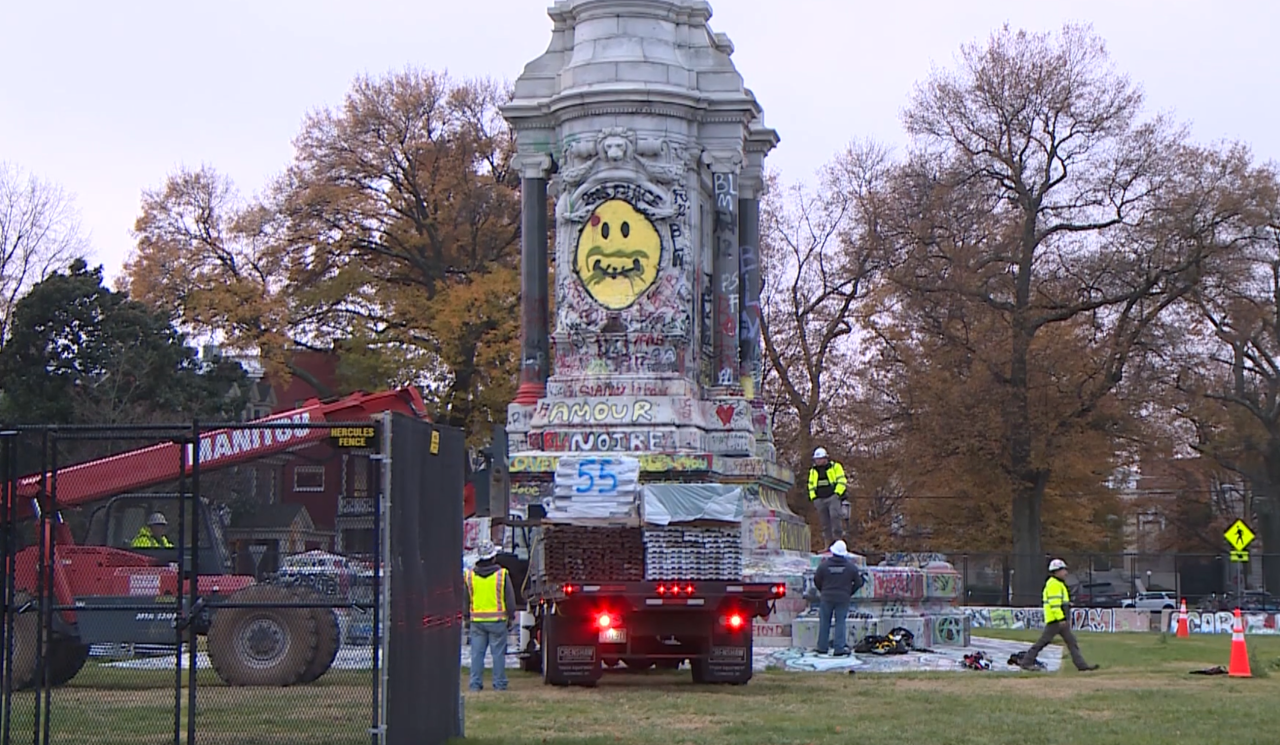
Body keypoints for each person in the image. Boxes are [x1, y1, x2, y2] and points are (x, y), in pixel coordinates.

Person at [1020, 558, 1099, 672]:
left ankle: (1082, 666)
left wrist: (1067, 605)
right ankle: (1026, 662)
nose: (1065, 572)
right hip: (1056, 620)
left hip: (1059, 620)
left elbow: (1060, 601)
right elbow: (1054, 604)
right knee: (1043, 642)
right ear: (1056, 572)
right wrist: (1061, 618)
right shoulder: (1054, 584)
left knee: (1071, 642)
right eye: (1063, 570)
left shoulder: (1058, 584)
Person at [464, 542, 517, 691]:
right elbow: (509, 599)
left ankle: (475, 684)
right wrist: (511, 617)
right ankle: (499, 684)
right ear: (493, 557)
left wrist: (467, 619)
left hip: (477, 621)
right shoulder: (502, 575)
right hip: (497, 621)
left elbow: (466, 599)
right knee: (498, 654)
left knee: (476, 654)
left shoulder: (469, 576)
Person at [812, 539, 864, 656]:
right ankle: (839, 648)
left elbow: (816, 580)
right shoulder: (851, 568)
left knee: (825, 622)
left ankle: (822, 647)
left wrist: (823, 590)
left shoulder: (824, 566)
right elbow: (859, 582)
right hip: (843, 598)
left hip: (827, 597)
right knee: (840, 622)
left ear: (833, 552)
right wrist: (849, 592)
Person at [807, 447, 848, 546]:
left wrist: (837, 494)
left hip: (832, 497)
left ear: (825, 458)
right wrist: (814, 498)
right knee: (824, 523)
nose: (818, 461)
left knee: (835, 517)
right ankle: (828, 544)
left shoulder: (835, 467)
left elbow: (842, 481)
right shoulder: (813, 471)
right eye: (816, 459)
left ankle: (838, 542)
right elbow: (811, 485)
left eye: (820, 459)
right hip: (820, 499)